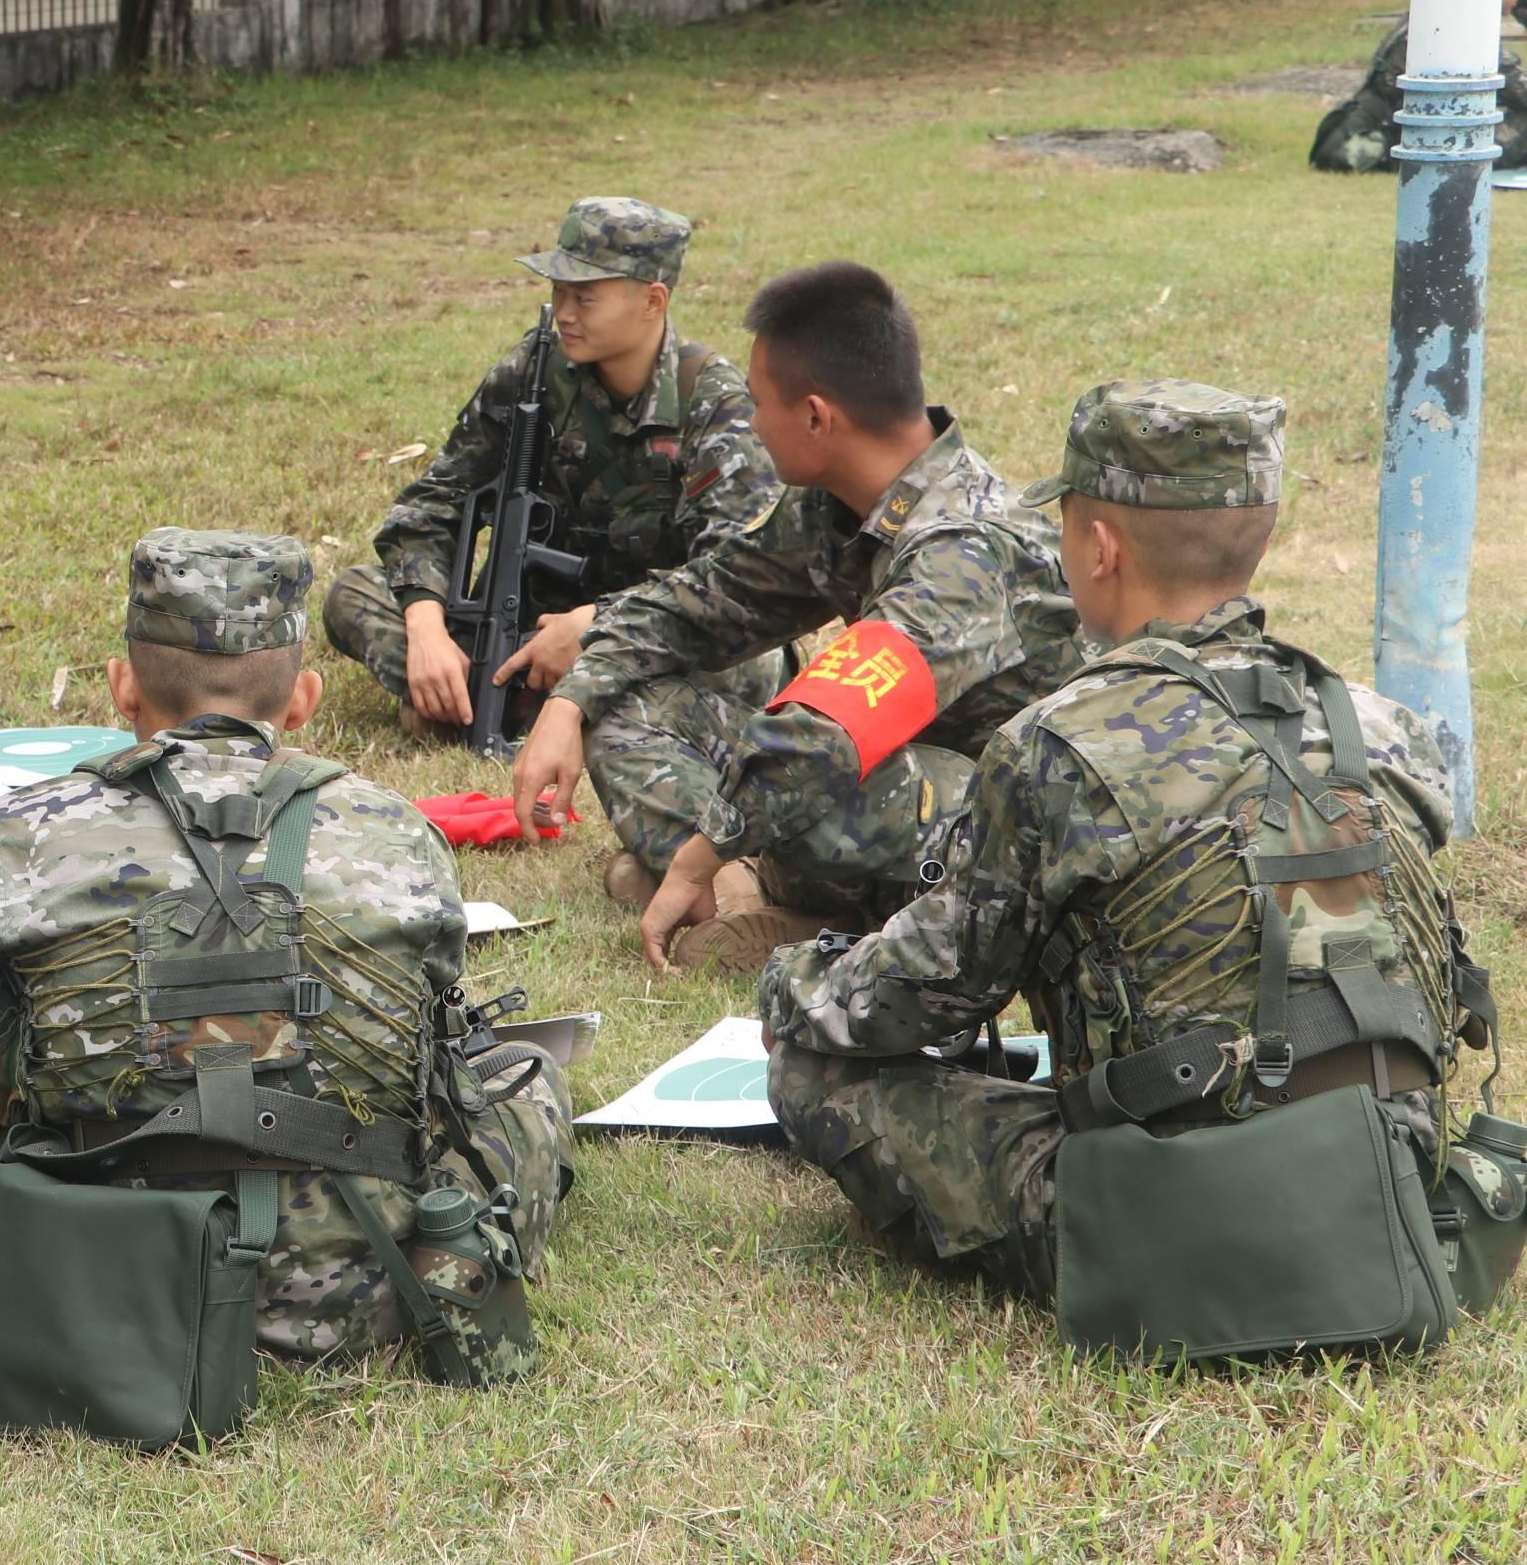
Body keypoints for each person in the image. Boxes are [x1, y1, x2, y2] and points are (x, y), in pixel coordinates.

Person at [758, 381, 1493, 1306]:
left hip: (1180, 1217)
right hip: (1394, 1185)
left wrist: (792, 983)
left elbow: (920, 995)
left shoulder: (1055, 743)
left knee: (813, 1068)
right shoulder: (1383, 731)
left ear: (1099, 548)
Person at [0, 529, 574, 1383]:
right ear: (304, 700)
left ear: (121, 686)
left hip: (88, 1266)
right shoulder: (400, 832)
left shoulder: (16, 833)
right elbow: (430, 1073)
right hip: (356, 1288)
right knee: (526, 1084)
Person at [510, 261, 1085, 973]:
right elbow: (701, 602)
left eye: (759, 405)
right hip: (905, 782)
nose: (752, 424)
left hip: (1018, 821)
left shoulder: (964, 550)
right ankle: (755, 896)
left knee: (808, 774)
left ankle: (765, 895)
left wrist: (699, 849)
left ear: (816, 417)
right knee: (628, 705)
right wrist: (569, 701)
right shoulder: (836, 503)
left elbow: (825, 733)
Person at [322, 196, 784, 746]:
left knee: (756, 664)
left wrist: (595, 625)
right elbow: (432, 505)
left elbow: (731, 578)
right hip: (524, 627)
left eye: (585, 297)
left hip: (642, 633)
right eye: (558, 291)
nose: (564, 312)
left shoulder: (715, 405)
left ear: (652, 300)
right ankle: (516, 699)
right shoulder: (535, 369)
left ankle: (529, 706)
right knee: (355, 594)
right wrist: (426, 630)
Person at [1311, 0, 1527, 176]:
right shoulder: (1462, 26)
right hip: (1403, 139)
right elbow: (1519, 90)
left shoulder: (1440, 12)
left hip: (1386, 130)